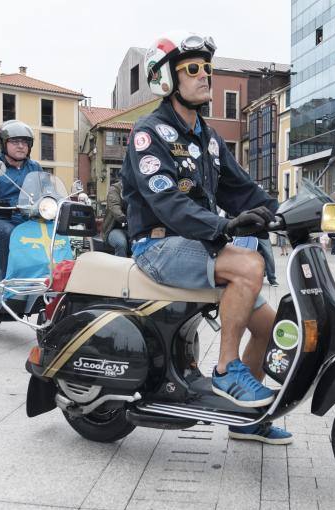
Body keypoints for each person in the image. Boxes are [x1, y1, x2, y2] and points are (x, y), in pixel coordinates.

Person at [121, 31, 290, 444]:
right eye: (192, 70)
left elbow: (242, 189)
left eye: (207, 70)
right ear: (168, 80)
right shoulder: (150, 134)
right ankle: (225, 369)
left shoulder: (209, 139)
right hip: (157, 246)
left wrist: (286, 212)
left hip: (200, 247)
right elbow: (167, 204)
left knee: (269, 326)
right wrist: (224, 226)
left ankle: (244, 420)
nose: (204, 76)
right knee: (248, 264)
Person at [0, 120, 43, 277]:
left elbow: (48, 190)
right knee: (10, 233)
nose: (21, 146)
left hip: (28, 219)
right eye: (15, 141)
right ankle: (7, 280)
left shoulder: (35, 167)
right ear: (3, 144)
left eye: (25, 142)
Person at [103, 179, 130, 257]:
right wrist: (125, 219)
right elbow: (114, 206)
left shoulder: (138, 188)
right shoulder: (115, 189)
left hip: (135, 229)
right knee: (121, 243)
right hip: (114, 229)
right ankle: (120, 267)